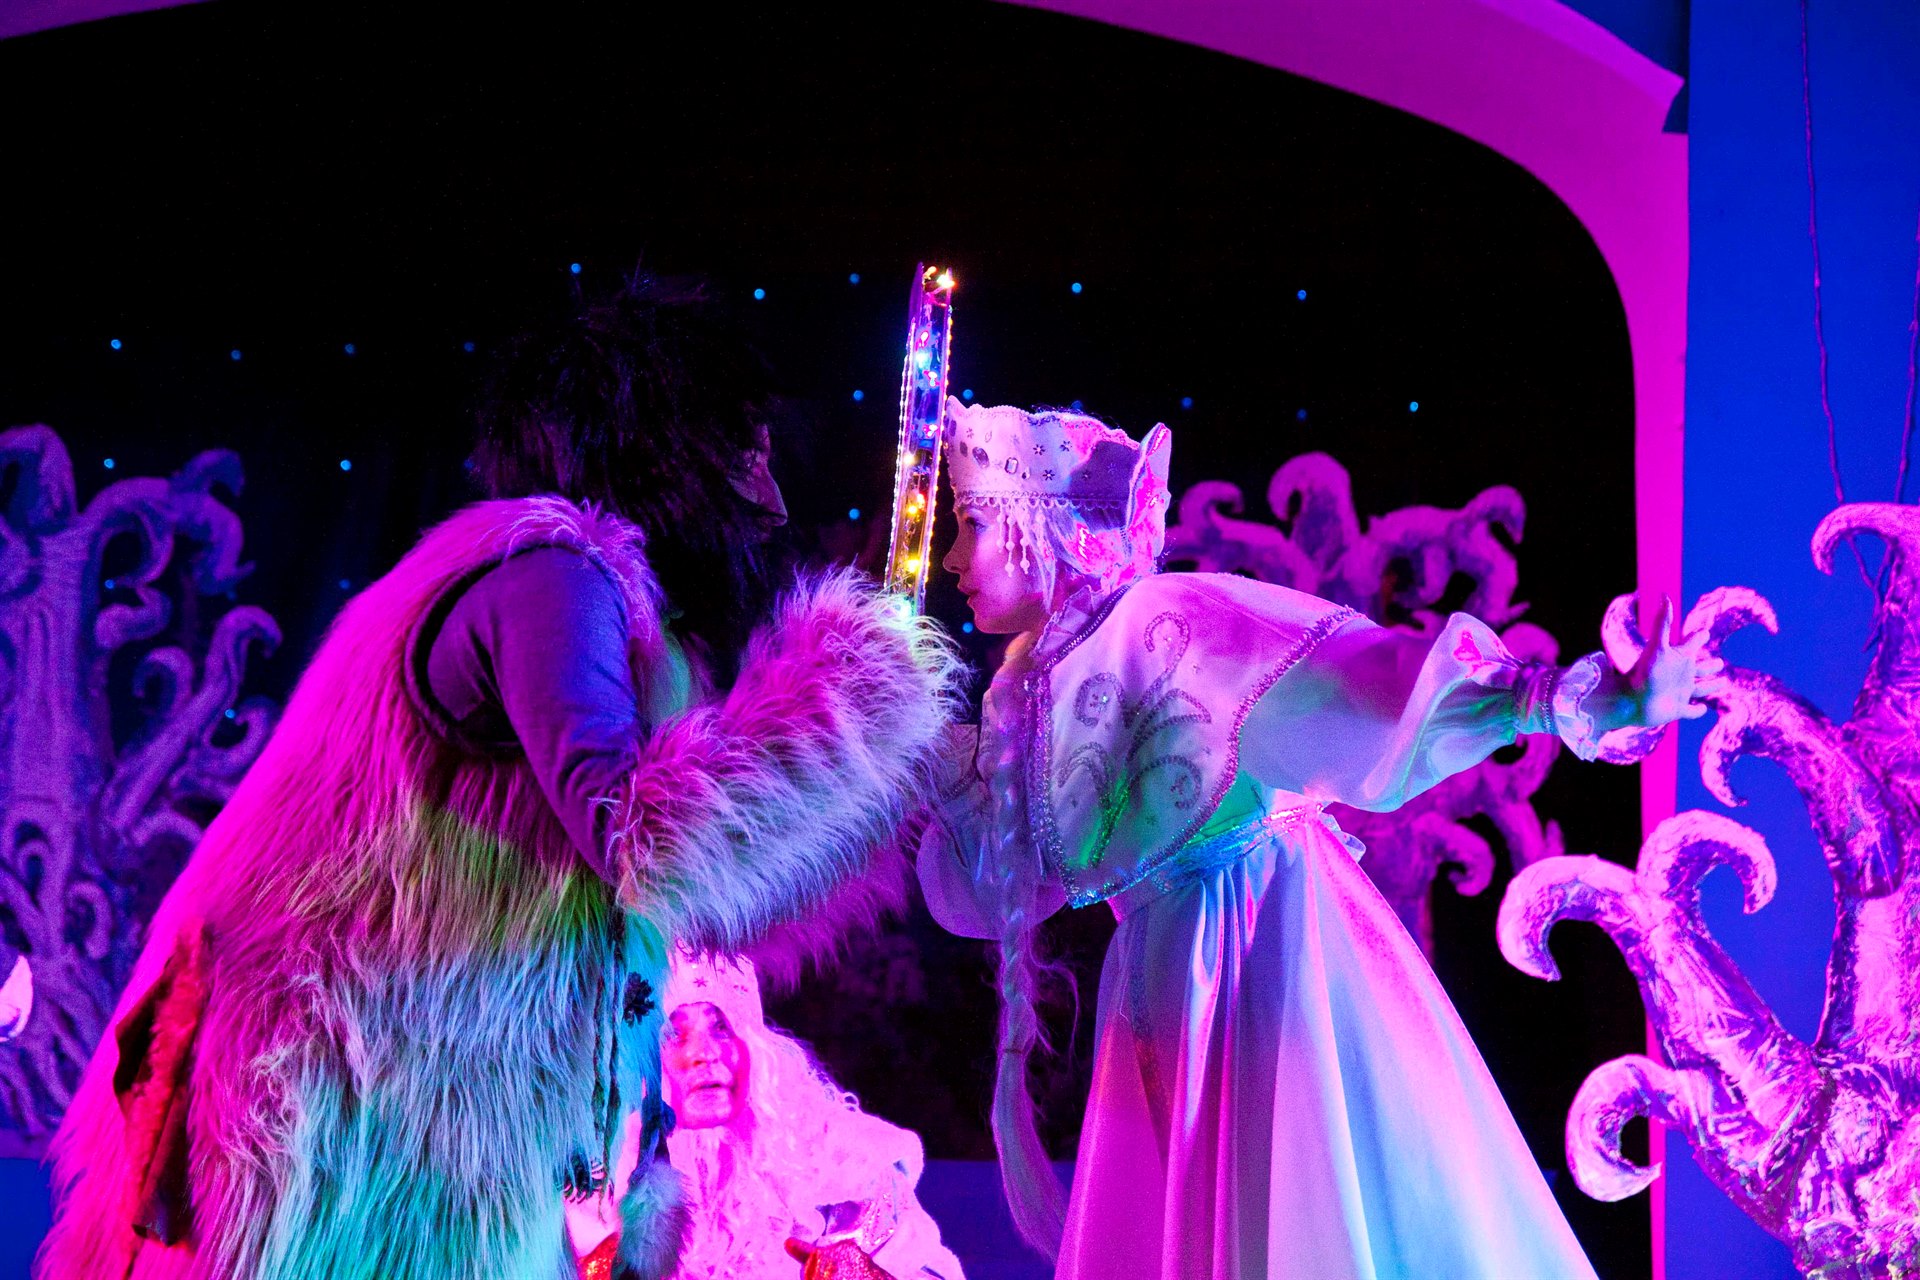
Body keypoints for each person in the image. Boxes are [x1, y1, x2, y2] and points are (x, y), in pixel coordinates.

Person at [37, 272, 963, 1280]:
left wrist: (888, 770)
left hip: (432, 1106)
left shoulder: (617, 611)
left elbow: (709, 904)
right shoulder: (550, 572)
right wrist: (848, 693)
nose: (771, 501)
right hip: (338, 1100)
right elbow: (647, 843)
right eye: (746, 453)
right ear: (669, 448)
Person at [916, 399, 1722, 1280]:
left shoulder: (1169, 617)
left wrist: (1571, 696)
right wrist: (907, 741)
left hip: (1267, 944)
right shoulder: (1023, 691)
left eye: (973, 525)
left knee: (1300, 1198)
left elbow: (1367, 681)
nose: (952, 560)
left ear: (1040, 528)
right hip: (1162, 977)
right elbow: (990, 891)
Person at [567, 950, 965, 1280]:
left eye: (721, 1027)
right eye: (674, 1033)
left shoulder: (845, 1172)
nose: (706, 1053)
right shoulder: (588, 1190)